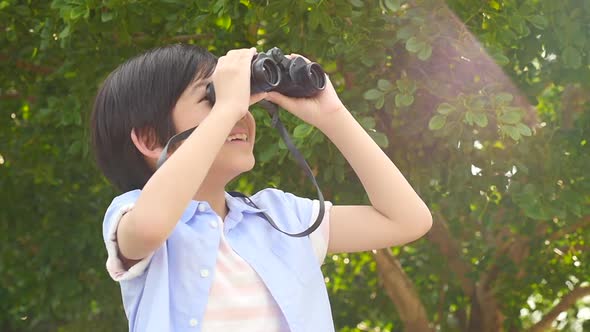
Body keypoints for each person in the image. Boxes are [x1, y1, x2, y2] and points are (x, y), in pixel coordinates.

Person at [90, 44, 432, 332]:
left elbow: (407, 220)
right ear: (150, 138)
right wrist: (227, 107)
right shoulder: (131, 214)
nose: (241, 111)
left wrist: (332, 114)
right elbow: (151, 225)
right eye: (212, 96)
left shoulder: (279, 217)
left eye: (241, 98)